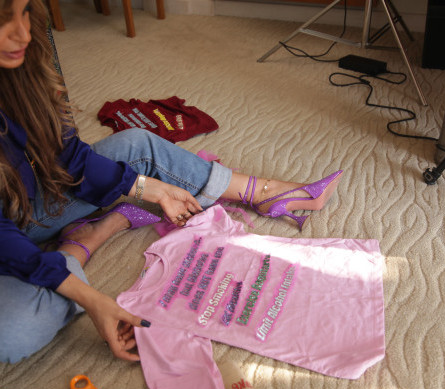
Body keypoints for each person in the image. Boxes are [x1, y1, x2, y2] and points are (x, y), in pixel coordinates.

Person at [0, 0, 342, 364]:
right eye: (4, 18)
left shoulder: (19, 68)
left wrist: (150, 187)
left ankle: (264, 192)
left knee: (136, 144)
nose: (23, 33)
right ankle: (81, 245)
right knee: (15, 331)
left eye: (24, 11)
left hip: (21, 201)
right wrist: (93, 299)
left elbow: (69, 158)